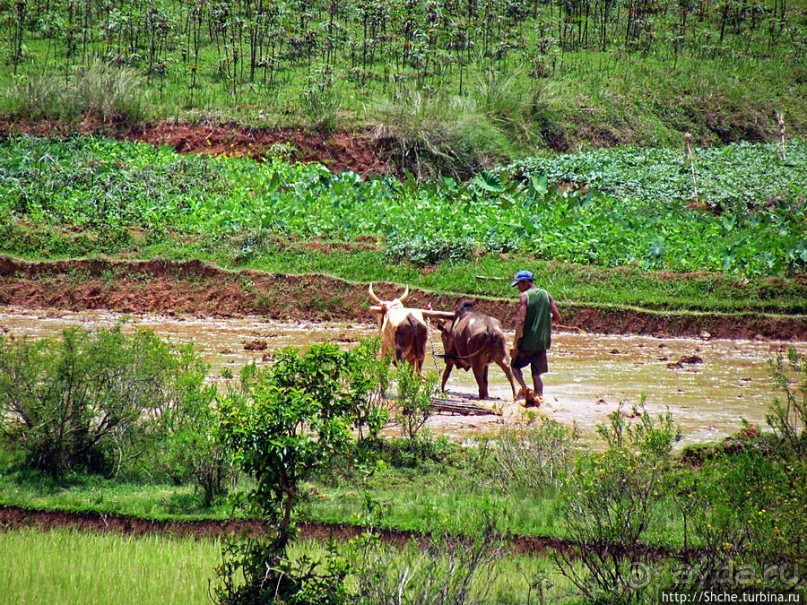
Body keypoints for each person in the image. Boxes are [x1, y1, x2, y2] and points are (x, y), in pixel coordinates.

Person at [509, 270, 561, 406]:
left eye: (519, 285)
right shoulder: (546, 294)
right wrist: (544, 321)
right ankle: (539, 398)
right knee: (536, 374)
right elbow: (557, 317)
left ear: (526, 282)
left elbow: (521, 321)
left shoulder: (525, 296)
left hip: (527, 342)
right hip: (542, 343)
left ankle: (524, 388)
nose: (518, 288)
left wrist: (514, 344)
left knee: (514, 366)